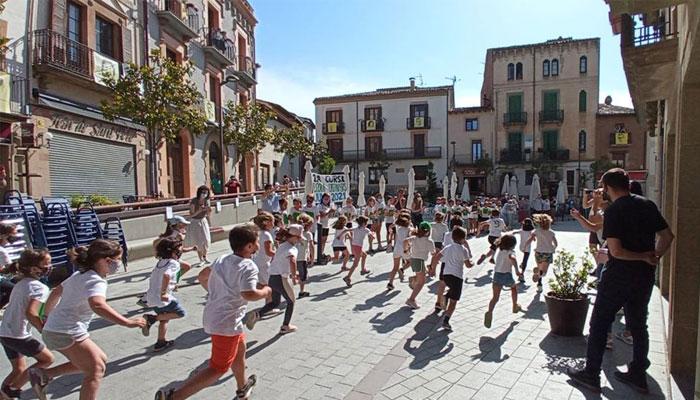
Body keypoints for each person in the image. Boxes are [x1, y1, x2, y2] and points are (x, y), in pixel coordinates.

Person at [568, 168, 674, 394]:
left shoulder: (615, 210)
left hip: (618, 277)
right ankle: (638, 374)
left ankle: (591, 375)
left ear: (608, 188)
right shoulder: (647, 204)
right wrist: (654, 257)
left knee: (599, 323)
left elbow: (616, 251)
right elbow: (667, 236)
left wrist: (643, 256)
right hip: (644, 277)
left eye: (602, 186)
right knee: (638, 324)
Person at [155, 224, 270, 400]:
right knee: (218, 367)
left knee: (240, 349)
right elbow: (248, 294)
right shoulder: (248, 266)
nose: (259, 245)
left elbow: (202, 276)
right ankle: (175, 397)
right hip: (227, 322)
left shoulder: (222, 259)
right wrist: (266, 292)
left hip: (215, 315)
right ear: (249, 246)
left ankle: (242, 387)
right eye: (257, 242)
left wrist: (216, 293)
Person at [30, 240, 146, 400]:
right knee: (96, 370)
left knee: (100, 360)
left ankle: (44, 374)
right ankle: (44, 375)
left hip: (58, 329)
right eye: (117, 259)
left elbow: (56, 291)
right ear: (106, 260)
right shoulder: (96, 281)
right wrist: (127, 322)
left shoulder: (81, 274)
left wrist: (46, 316)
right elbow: (97, 305)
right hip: (66, 331)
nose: (118, 264)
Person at [0, 249, 54, 399]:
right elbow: (31, 313)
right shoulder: (39, 288)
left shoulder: (21, 282)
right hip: (18, 335)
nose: (50, 266)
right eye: (46, 264)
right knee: (47, 359)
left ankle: (4, 395)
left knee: (19, 369)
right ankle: (11, 390)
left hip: (5, 332)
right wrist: (45, 330)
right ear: (33, 268)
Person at [141, 238, 188, 352]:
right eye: (178, 250)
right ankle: (151, 318)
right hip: (163, 298)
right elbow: (167, 275)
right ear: (173, 252)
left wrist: (172, 284)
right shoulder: (174, 263)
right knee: (180, 313)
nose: (180, 253)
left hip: (152, 298)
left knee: (165, 318)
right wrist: (164, 292)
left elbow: (160, 277)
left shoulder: (160, 262)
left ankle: (160, 342)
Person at [255, 225, 301, 335]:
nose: (299, 240)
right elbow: (293, 260)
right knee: (291, 301)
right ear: (294, 237)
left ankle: (258, 314)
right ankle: (285, 326)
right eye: (299, 238)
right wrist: (294, 276)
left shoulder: (282, 245)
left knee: (275, 302)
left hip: (272, 277)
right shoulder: (292, 248)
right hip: (281, 278)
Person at [428, 226, 472, 331]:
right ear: (463, 239)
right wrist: (472, 263)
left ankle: (446, 296)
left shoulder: (448, 247)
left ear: (452, 237)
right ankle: (446, 321)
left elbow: (436, 257)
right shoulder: (464, 250)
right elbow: (468, 265)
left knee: (450, 289)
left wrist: (432, 269)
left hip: (446, 275)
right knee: (454, 302)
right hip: (457, 277)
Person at [484, 234, 523, 328]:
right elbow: (513, 259)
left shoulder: (500, 250)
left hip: (497, 275)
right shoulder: (511, 252)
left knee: (495, 297)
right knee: (513, 288)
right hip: (506, 275)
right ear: (513, 245)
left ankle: (489, 312)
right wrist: (517, 270)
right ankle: (515, 305)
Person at [403, 222, 435, 310]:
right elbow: (433, 253)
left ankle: (414, 280)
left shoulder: (414, 238)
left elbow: (405, 240)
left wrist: (406, 250)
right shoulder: (429, 241)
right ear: (428, 231)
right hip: (419, 261)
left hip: (414, 259)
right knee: (422, 282)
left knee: (421, 276)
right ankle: (411, 299)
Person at [527, 214, 558, 293]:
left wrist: (525, 245)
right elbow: (556, 243)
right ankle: (538, 276)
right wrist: (553, 248)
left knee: (540, 269)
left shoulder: (537, 231)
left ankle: (539, 284)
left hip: (538, 252)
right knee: (543, 273)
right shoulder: (551, 232)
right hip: (547, 253)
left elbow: (531, 238)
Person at [343, 216, 374, 287]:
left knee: (364, 255)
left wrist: (341, 235)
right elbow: (371, 235)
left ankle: (363, 269)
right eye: (366, 223)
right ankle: (348, 277)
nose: (367, 224)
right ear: (363, 223)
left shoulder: (356, 228)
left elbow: (346, 230)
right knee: (355, 264)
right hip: (358, 247)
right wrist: (373, 236)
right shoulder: (366, 229)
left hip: (354, 246)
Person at [185, 186, 212, 265]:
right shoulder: (194, 201)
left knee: (207, 240)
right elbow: (191, 215)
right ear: (199, 192)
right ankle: (201, 260)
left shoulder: (207, 201)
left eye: (206, 193)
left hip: (203, 221)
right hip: (195, 222)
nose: (204, 194)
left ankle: (205, 256)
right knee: (199, 241)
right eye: (203, 192)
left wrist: (209, 211)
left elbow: (208, 214)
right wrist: (199, 211)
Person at [251, 212, 275, 293]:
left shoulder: (257, 233)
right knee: (270, 286)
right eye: (272, 222)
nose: (273, 225)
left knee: (261, 284)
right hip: (264, 263)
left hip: (256, 261)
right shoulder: (266, 235)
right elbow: (268, 252)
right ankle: (269, 302)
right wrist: (279, 254)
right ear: (267, 223)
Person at [386, 215, 411, 291]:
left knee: (394, 267)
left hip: (396, 249)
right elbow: (409, 238)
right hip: (404, 248)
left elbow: (391, 225)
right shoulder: (408, 229)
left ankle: (390, 283)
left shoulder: (398, 228)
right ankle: (402, 269)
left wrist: (390, 229)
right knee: (411, 262)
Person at [0, 223, 19, 309]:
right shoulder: (2, 251)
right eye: (12, 235)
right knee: (14, 289)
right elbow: (8, 270)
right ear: (3, 236)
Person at [295, 214, 315, 298]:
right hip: (302, 257)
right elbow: (311, 246)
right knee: (303, 275)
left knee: (295, 272)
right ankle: (301, 291)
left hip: (293, 256)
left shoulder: (294, 232)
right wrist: (312, 258)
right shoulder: (308, 234)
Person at [316, 193, 335, 264]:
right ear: (322, 198)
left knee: (324, 240)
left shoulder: (328, 206)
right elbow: (322, 215)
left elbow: (329, 216)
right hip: (321, 225)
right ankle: (319, 254)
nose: (327, 200)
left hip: (326, 225)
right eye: (325, 198)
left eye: (328, 198)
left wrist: (332, 212)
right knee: (321, 241)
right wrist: (329, 211)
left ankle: (322, 252)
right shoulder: (319, 206)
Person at [514, 218, 534, 283]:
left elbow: (514, 232)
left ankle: (522, 264)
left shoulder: (521, 231)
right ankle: (522, 274)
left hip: (521, 247)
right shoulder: (531, 231)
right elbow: (533, 238)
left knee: (524, 260)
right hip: (527, 248)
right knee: (525, 260)